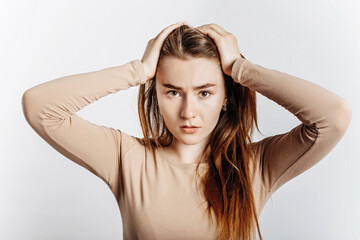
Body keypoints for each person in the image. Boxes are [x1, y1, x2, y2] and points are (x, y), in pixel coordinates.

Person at [22, 22, 352, 240]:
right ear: (157, 93)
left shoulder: (255, 165)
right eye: (173, 91)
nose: (188, 111)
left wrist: (240, 68)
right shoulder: (127, 158)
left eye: (205, 92)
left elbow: (333, 117)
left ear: (225, 97)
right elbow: (40, 107)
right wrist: (138, 70)